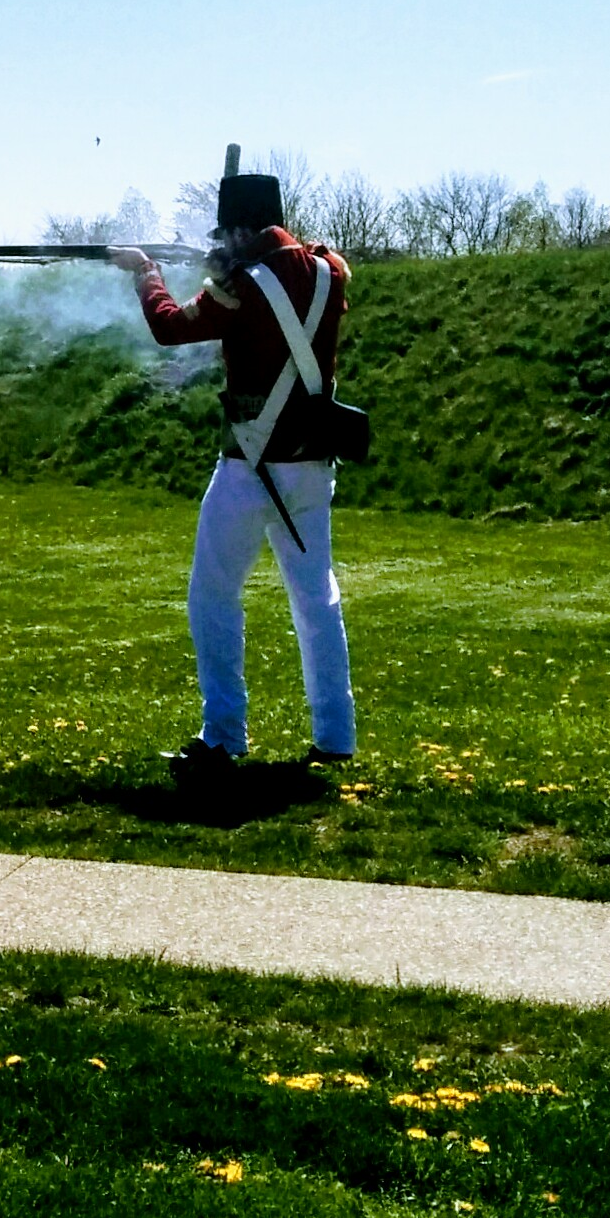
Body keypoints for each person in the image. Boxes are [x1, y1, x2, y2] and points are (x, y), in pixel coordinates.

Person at [109, 154, 358, 781]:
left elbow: (170, 328)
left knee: (212, 594)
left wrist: (146, 274)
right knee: (317, 600)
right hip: (311, 462)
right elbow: (301, 285)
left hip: (251, 465)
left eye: (226, 235)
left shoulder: (241, 286)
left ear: (240, 232)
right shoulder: (330, 272)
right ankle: (336, 736)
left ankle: (223, 734)